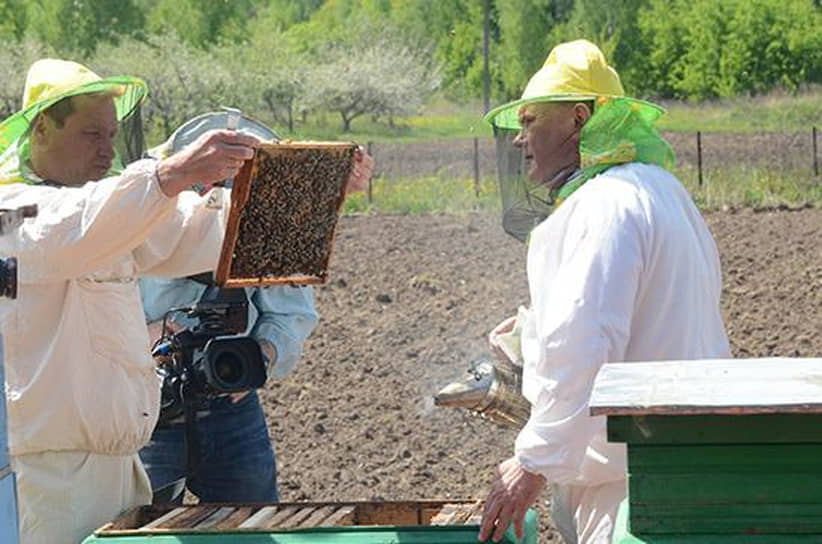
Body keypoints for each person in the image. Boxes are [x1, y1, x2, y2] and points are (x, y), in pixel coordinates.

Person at [0, 59, 368, 544]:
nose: (107, 148)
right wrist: (171, 174)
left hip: (115, 466)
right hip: (47, 482)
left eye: (111, 134)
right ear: (43, 127)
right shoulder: (15, 212)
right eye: (92, 134)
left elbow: (207, 234)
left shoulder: (109, 217)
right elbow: (79, 224)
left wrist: (316, 192)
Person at [477, 40, 730, 544]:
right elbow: (648, 311)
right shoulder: (662, 189)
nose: (518, 139)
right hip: (677, 460)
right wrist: (533, 328)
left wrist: (533, 461)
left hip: (626, 485)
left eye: (530, 122)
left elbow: (585, 340)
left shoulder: (601, 205)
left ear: (577, 119)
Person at [137, 111, 320, 503]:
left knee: (250, 525)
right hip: (145, 406)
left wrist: (260, 357)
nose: (222, 191)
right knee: (140, 528)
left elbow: (290, 313)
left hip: (233, 408)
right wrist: (146, 338)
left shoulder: (268, 226)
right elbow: (93, 313)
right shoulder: (139, 220)